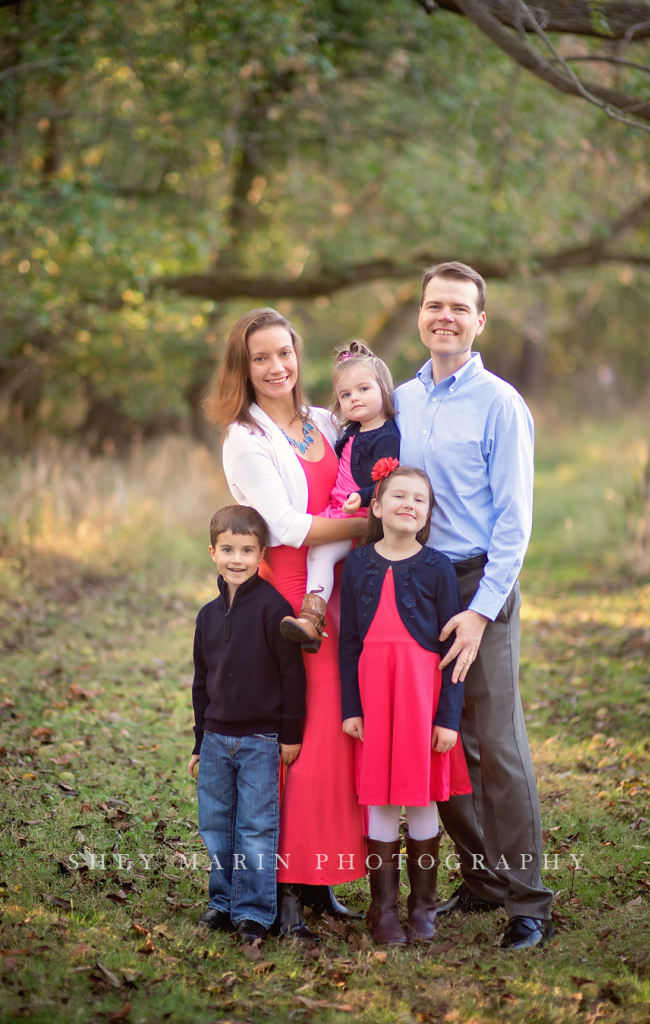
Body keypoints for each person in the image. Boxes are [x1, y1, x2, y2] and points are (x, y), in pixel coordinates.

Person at [394, 261, 554, 950]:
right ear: (420, 315)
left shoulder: (499, 404)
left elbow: (514, 524)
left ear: (478, 321)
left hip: (475, 583)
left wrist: (482, 609)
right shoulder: (397, 399)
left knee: (496, 744)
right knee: (430, 738)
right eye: (434, 305)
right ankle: (484, 878)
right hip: (411, 587)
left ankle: (528, 903)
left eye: (459, 308)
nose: (445, 317)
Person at [203, 307, 367, 939]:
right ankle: (280, 885)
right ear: (243, 369)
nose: (276, 367)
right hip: (289, 602)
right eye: (260, 358)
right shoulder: (245, 438)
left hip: (339, 593)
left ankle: (320, 874)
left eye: (284, 353)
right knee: (293, 738)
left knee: (332, 740)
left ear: (299, 355)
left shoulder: (324, 421)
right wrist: (366, 525)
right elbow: (287, 526)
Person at [339, 465, 472, 945]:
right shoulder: (357, 564)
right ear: (375, 506)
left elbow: (451, 652)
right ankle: (383, 908)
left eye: (420, 499)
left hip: (421, 699)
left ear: (428, 514)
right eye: (399, 495)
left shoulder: (437, 566)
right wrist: (350, 707)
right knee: (380, 795)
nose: (408, 504)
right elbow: (349, 642)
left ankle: (423, 907)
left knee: (419, 798)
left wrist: (448, 717)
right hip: (375, 696)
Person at [188, 504, 307, 945]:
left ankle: (254, 912)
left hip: (261, 738)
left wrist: (290, 733)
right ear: (213, 552)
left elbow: (292, 677)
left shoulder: (274, 609)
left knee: (256, 827)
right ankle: (222, 901)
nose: (237, 559)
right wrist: (200, 743)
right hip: (217, 738)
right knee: (216, 824)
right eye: (228, 549)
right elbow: (202, 682)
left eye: (247, 550)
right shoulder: (206, 615)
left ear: (262, 556)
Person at [281, 339, 400, 650]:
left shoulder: (386, 436)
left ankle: (311, 617)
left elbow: (389, 482)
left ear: (384, 390)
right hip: (339, 511)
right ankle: (318, 616)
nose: (354, 398)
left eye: (363, 389)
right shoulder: (349, 431)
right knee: (315, 549)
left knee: (321, 552)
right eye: (346, 395)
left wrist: (362, 497)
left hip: (361, 515)